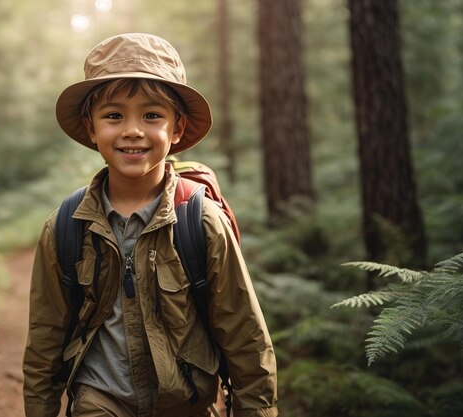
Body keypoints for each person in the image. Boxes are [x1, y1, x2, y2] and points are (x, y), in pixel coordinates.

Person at [23, 33, 278, 417]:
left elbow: (246, 339)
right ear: (91, 129)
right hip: (98, 402)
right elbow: (45, 339)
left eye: (152, 115)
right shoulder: (66, 227)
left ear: (176, 130)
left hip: (186, 406)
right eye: (113, 116)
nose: (132, 130)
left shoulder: (201, 222)